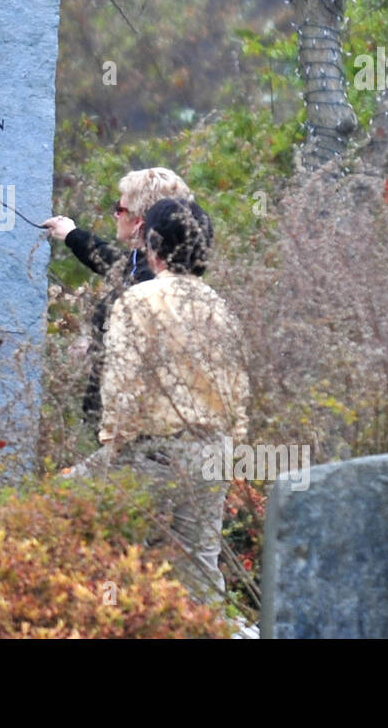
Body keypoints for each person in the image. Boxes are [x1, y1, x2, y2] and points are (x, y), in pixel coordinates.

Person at [63, 197, 250, 602]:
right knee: (199, 568)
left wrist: (113, 446)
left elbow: (121, 387)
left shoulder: (138, 301)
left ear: (152, 244)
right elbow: (237, 393)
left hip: (151, 450)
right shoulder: (220, 306)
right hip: (213, 452)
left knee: (82, 529)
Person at [42, 168, 201, 434]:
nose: (115, 215)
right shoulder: (153, 263)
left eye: (120, 208)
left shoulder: (153, 282)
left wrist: (96, 345)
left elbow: (140, 351)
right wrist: (71, 234)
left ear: (139, 221)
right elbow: (114, 264)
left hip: (137, 435)